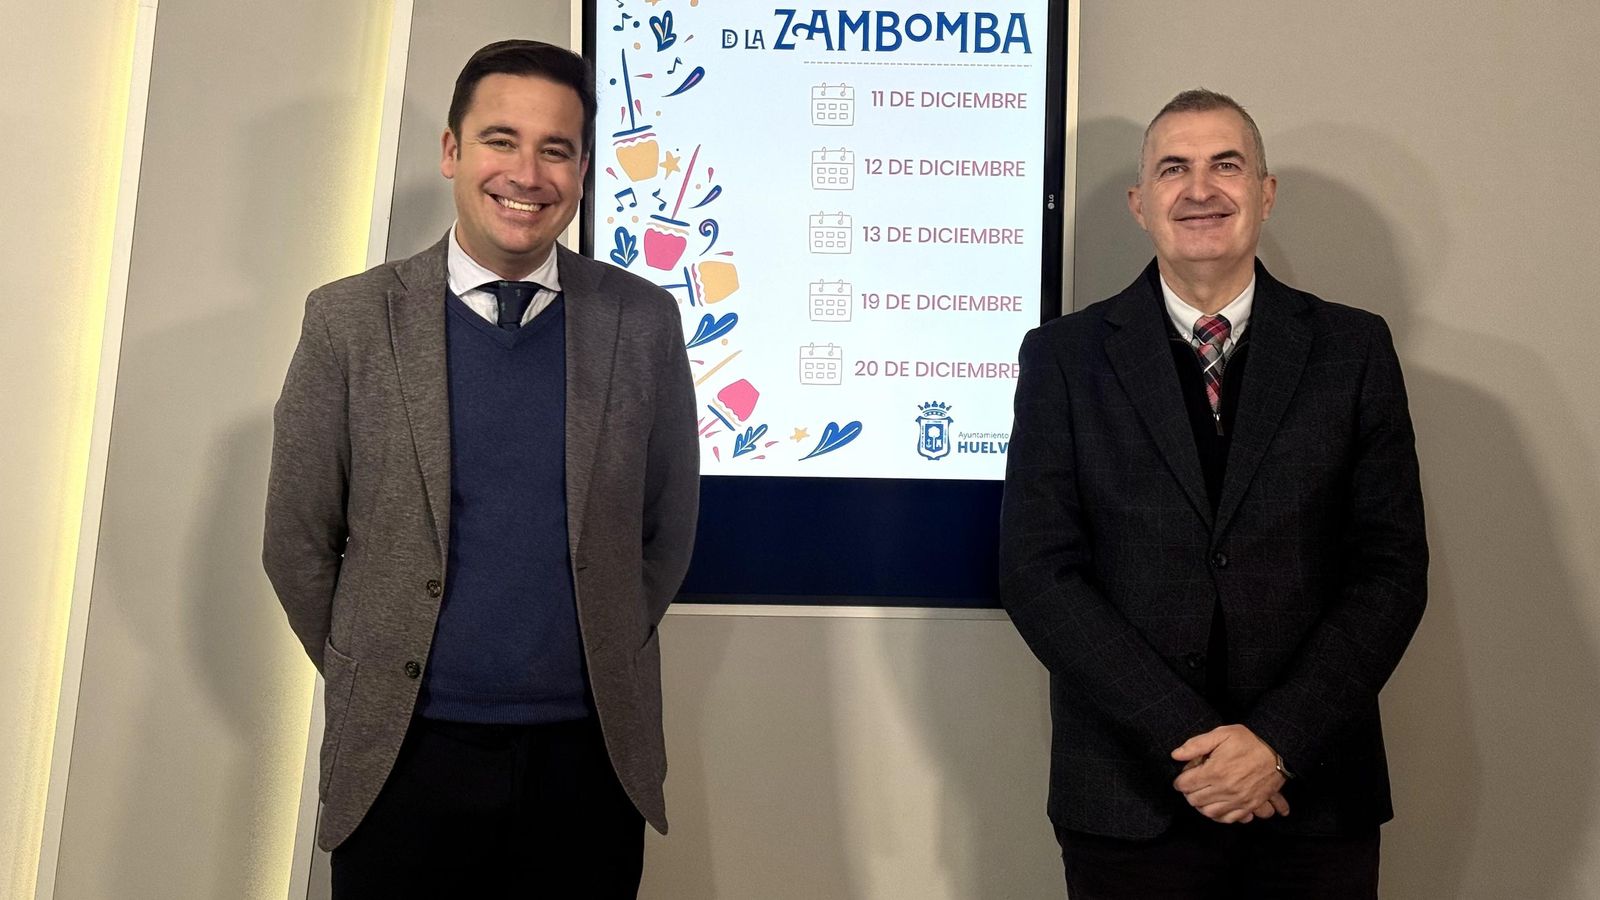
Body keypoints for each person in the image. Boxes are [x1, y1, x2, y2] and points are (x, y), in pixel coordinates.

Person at [263, 39, 698, 897]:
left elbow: (665, 529)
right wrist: (376, 664)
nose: (527, 174)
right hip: (404, 760)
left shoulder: (640, 324)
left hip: (589, 764)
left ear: (580, 170)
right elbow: (297, 543)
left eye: (557, 149)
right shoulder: (349, 323)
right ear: (453, 152)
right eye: (501, 140)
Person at [999, 89, 1427, 898]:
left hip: (1314, 794)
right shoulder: (1063, 358)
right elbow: (1038, 574)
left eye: (1225, 165)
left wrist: (1274, 744)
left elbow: (1391, 572)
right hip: (1131, 797)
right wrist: (1194, 740)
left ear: (1265, 193)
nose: (1200, 190)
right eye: (1173, 169)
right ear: (1139, 204)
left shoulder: (1353, 350)